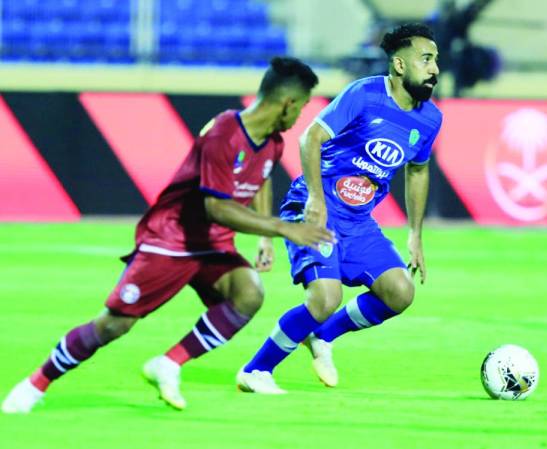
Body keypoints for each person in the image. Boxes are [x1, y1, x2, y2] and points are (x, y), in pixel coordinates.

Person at [2, 57, 335, 413]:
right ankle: (35, 384)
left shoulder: (272, 142)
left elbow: (261, 176)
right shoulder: (224, 133)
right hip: (171, 239)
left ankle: (169, 363)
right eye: (301, 106)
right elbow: (217, 208)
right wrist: (283, 228)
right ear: (287, 102)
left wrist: (265, 235)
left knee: (248, 293)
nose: (299, 115)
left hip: (212, 244)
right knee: (114, 325)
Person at [236, 23, 443, 394]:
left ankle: (322, 336)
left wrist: (415, 233)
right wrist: (316, 198)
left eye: (436, 60)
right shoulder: (364, 94)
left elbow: (418, 170)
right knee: (325, 298)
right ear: (399, 65)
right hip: (316, 206)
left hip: (358, 221)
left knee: (400, 291)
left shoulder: (430, 119)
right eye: (426, 59)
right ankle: (256, 371)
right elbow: (310, 137)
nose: (434, 69)